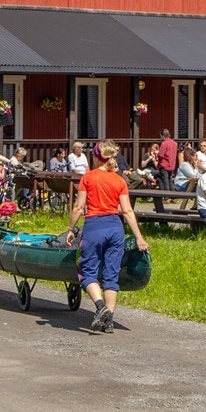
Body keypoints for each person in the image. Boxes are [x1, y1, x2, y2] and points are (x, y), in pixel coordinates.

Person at [68, 141, 148, 332]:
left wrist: (71, 228)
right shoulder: (119, 180)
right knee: (111, 275)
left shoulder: (88, 177)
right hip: (115, 228)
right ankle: (108, 321)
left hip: (95, 227)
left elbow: (79, 207)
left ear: (97, 157)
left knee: (87, 272)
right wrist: (139, 237)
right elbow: (127, 211)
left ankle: (101, 307)